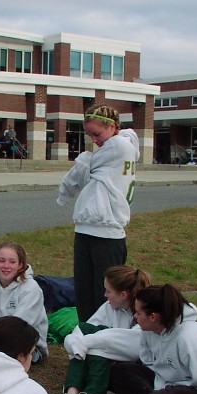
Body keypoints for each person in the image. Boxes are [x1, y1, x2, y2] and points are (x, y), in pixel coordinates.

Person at [57, 104, 139, 323]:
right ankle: (87, 334)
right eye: (90, 135)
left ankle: (106, 336)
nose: (94, 141)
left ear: (112, 127)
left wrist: (84, 160)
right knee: (84, 293)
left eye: (97, 134)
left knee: (105, 297)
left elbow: (82, 169)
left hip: (107, 234)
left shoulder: (119, 145)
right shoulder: (112, 149)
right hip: (86, 230)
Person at [58, 266, 151, 394]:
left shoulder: (143, 314)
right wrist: (79, 341)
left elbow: (133, 347)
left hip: (130, 368)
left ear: (123, 295)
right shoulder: (110, 306)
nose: (105, 295)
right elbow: (86, 328)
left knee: (97, 347)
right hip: (107, 357)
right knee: (89, 336)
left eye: (108, 291)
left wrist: (81, 341)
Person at [0, 242, 49, 364]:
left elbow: (20, 327)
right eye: (1, 261)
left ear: (20, 265)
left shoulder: (31, 289)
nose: (6, 266)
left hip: (26, 346)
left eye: (12, 262)